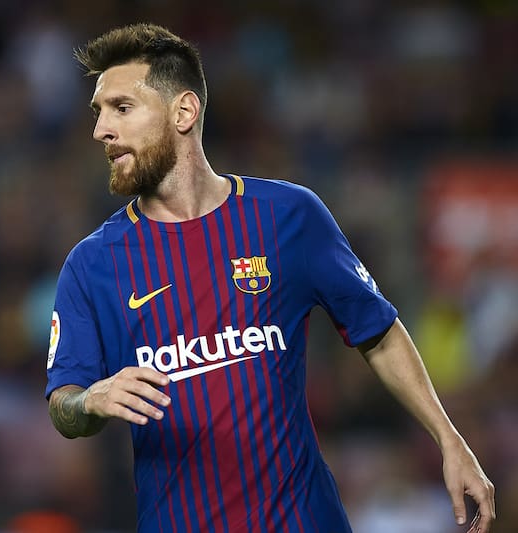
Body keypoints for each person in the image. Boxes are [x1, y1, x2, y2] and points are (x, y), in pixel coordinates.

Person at [45, 23, 495, 533]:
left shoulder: (288, 216)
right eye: (98, 112)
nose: (101, 130)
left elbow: (379, 332)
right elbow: (64, 405)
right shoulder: (93, 264)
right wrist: (91, 399)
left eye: (121, 108)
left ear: (184, 112)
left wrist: (449, 440)